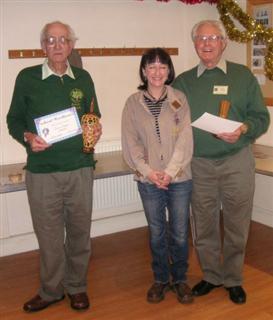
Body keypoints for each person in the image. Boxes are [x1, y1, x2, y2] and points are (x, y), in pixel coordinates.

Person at [7, 21, 102, 312]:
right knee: (48, 236)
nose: (58, 45)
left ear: (71, 45)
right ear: (43, 46)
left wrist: (96, 128)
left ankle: (77, 287)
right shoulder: (27, 77)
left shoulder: (83, 78)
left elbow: (93, 115)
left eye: (63, 40)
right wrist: (27, 137)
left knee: (78, 232)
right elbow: (14, 120)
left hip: (80, 168)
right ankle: (50, 291)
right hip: (43, 171)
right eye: (51, 40)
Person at [173, 20, 270, 304]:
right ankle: (212, 275)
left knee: (237, 223)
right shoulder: (184, 82)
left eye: (212, 38)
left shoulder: (243, 77)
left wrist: (243, 129)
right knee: (203, 223)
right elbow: (173, 118)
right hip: (200, 164)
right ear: (195, 44)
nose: (206, 43)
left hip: (236, 161)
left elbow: (261, 117)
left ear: (223, 43)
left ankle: (233, 278)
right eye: (201, 39)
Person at [122, 48, 194, 304]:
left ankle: (181, 279)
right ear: (143, 71)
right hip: (148, 179)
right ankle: (161, 279)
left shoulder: (180, 99)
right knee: (156, 233)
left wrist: (170, 172)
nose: (156, 72)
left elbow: (185, 140)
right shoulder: (133, 103)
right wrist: (150, 172)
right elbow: (130, 144)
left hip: (180, 178)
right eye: (151, 66)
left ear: (168, 70)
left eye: (162, 66)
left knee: (179, 232)